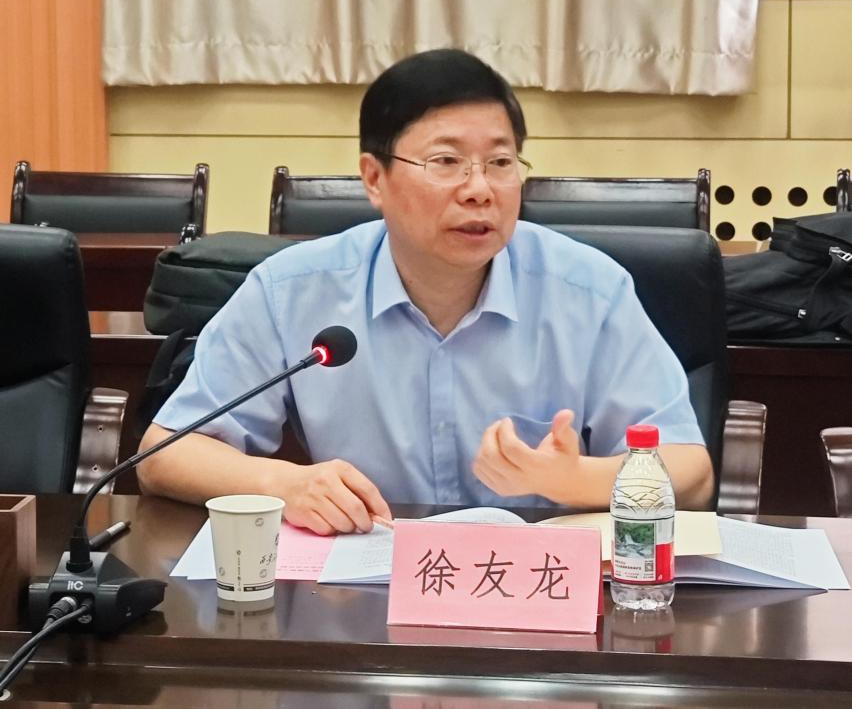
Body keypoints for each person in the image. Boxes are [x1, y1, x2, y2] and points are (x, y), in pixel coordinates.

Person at [138, 49, 714, 534]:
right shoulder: (292, 292)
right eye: (446, 161)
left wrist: (572, 479)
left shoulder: (589, 291)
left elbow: (691, 473)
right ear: (374, 178)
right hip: (366, 596)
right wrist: (281, 483)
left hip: (538, 598)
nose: (479, 189)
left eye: (500, 161)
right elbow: (165, 454)